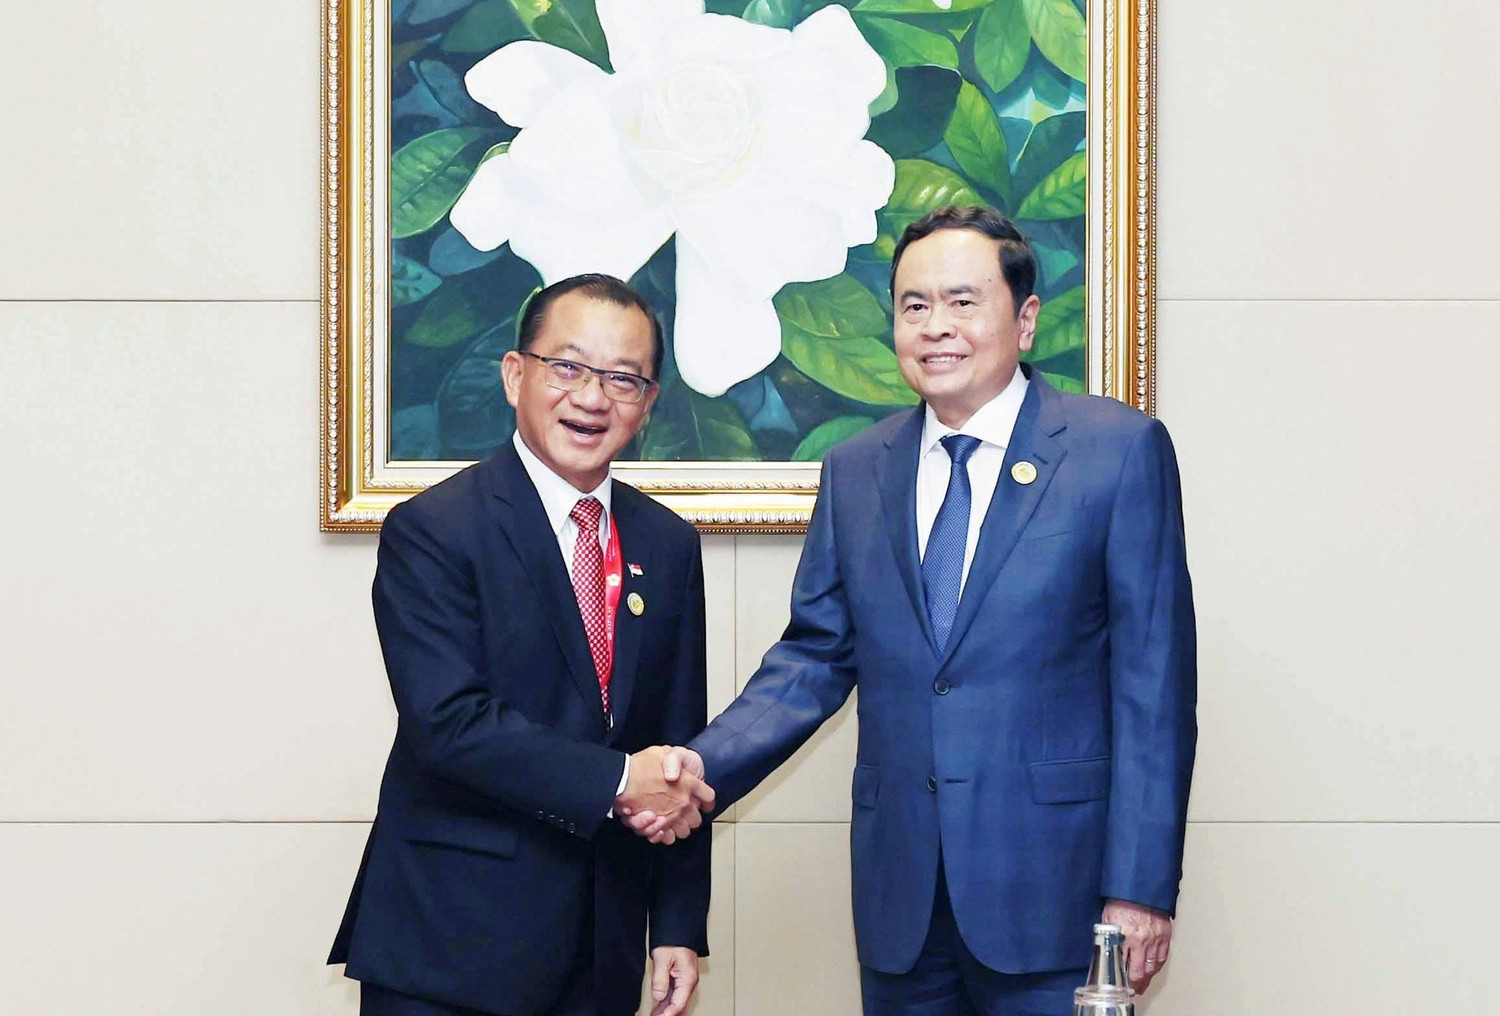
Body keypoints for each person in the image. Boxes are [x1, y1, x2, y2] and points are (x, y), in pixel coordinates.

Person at [628, 207, 1197, 1015]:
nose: (936, 327)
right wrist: (696, 768)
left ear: (1025, 319)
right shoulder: (858, 469)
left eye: (963, 301)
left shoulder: (1116, 451)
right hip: (903, 901)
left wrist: (1139, 887)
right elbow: (813, 658)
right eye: (914, 305)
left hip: (1059, 897)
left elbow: (1154, 687)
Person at [329, 274, 717, 1016]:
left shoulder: (667, 543)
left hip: (601, 947)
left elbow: (676, 748)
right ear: (514, 376)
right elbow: (449, 725)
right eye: (567, 367)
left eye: (623, 379)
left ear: (648, 403)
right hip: (451, 943)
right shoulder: (434, 529)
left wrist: (675, 923)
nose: (592, 398)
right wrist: (618, 781)